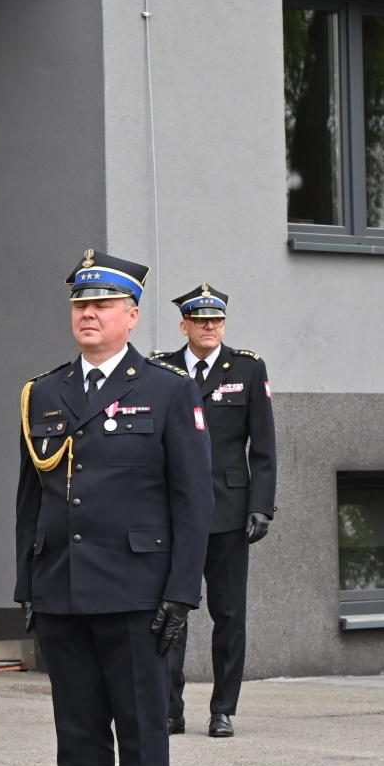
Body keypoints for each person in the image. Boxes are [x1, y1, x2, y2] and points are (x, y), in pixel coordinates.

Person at [15, 250, 212, 766]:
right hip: (63, 589)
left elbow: (193, 500)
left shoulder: (167, 390)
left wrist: (183, 591)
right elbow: (29, 498)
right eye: (79, 304)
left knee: (140, 734)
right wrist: (27, 586)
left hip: (136, 592)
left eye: (101, 305)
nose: (88, 314)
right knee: (78, 735)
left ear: (130, 315)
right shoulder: (44, 392)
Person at [150, 284, 276, 737]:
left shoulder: (246, 368)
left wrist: (262, 506)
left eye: (216, 320)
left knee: (229, 614)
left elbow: (263, 446)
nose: (209, 327)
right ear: (184, 325)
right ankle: (169, 709)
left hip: (228, 512)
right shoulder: (159, 369)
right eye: (200, 320)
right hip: (173, 511)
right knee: (171, 609)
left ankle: (223, 708)